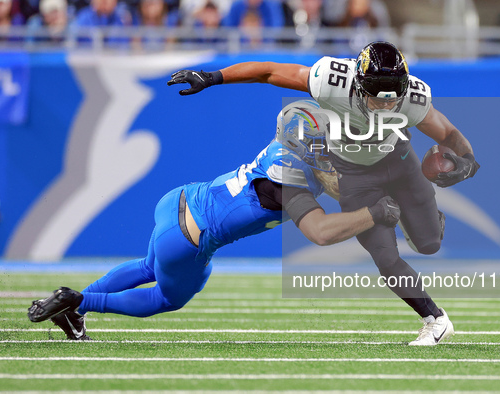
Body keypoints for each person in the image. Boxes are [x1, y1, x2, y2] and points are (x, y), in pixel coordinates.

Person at [165, 41, 481, 346]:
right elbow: (269, 71)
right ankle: (436, 319)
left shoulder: (412, 97)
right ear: (357, 85)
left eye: (392, 97)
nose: (386, 104)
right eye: (377, 96)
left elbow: (448, 132)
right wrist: (213, 77)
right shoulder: (333, 81)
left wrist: (468, 161)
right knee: (383, 254)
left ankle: (417, 214)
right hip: (355, 172)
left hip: (396, 159)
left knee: (427, 243)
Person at [27, 99, 402, 341]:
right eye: (320, 143)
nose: (327, 148)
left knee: (147, 267)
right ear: (302, 146)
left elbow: (336, 176)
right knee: (166, 298)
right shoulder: (289, 186)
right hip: (189, 237)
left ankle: (75, 311)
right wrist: (374, 213)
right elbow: (320, 232)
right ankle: (79, 300)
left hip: (179, 200)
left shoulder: (282, 151)